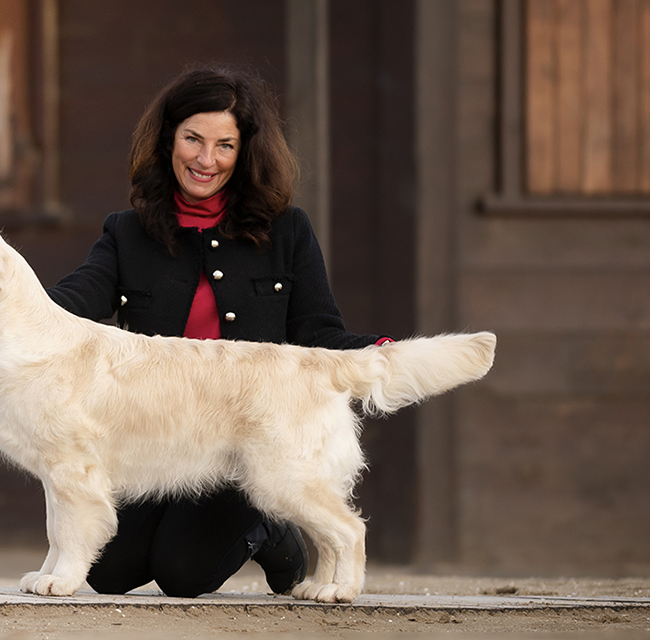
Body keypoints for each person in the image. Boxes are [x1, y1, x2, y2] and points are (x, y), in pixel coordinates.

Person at [45, 65, 391, 598]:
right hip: (155, 442)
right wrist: (2, 305)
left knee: (183, 573)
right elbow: (75, 300)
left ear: (243, 152)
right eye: (193, 140)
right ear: (168, 140)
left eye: (224, 145)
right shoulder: (127, 231)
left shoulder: (288, 231)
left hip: (245, 442)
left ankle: (271, 524)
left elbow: (318, 331)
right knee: (107, 572)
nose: (206, 160)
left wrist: (381, 355)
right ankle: (246, 527)